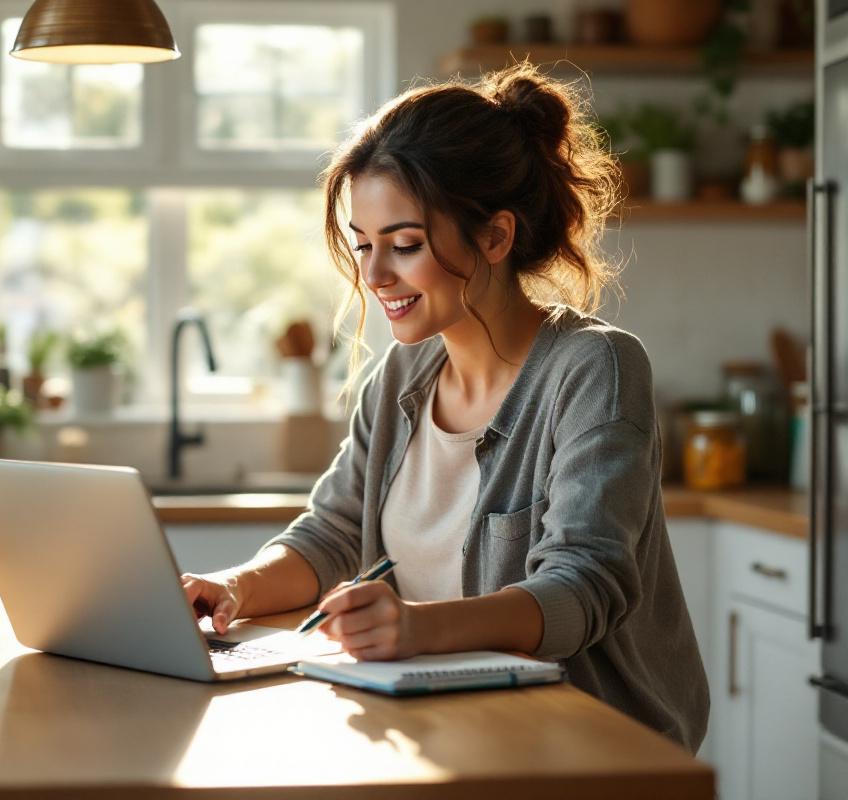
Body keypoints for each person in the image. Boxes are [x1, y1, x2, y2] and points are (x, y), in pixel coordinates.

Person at [180, 64, 709, 752]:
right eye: (364, 246)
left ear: (495, 237)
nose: (374, 277)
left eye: (404, 246)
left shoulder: (594, 369)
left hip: (591, 746)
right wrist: (233, 589)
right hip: (450, 730)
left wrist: (416, 625)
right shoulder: (402, 374)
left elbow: (584, 589)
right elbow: (333, 535)